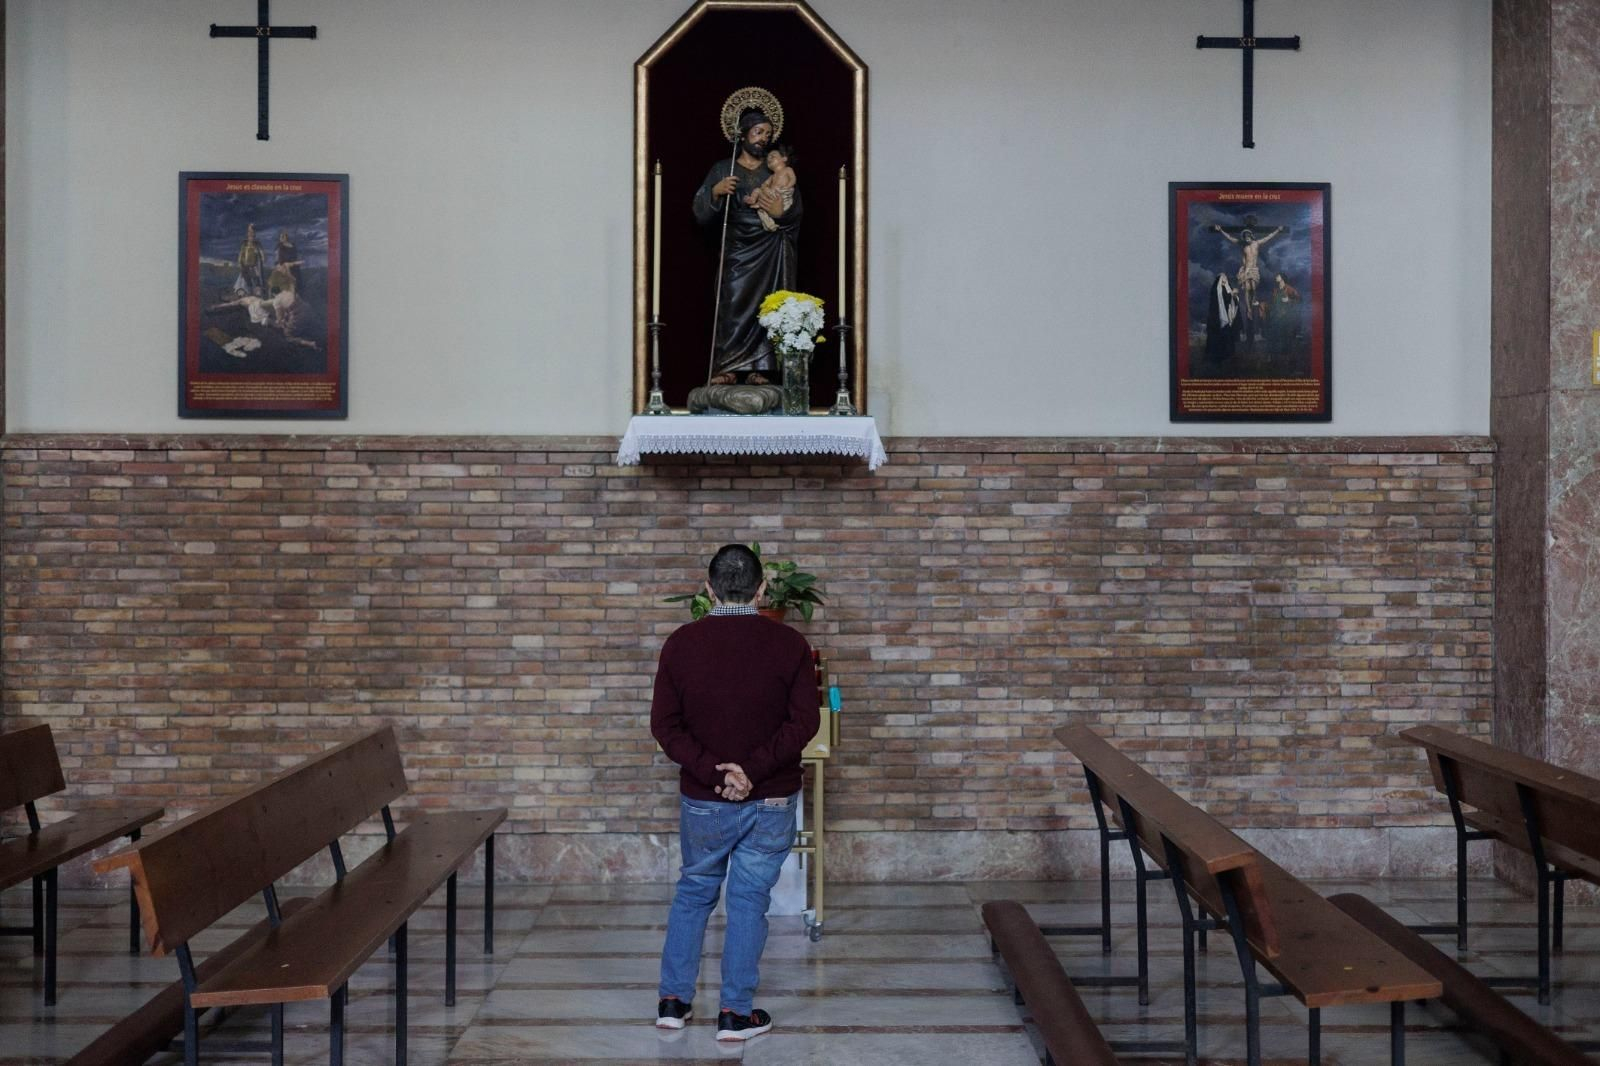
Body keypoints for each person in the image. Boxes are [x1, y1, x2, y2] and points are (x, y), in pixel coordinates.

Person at [651, 544, 819, 1042]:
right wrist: (750, 771)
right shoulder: (790, 644)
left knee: (694, 891)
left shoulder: (681, 643)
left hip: (704, 798)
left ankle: (672, 1004)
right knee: (748, 900)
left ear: (708, 590)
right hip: (770, 798)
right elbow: (804, 723)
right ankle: (734, 1014)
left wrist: (715, 772)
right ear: (762, 589)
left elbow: (665, 725)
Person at [692, 109, 802, 386]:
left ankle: (760, 369)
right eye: (757, 132)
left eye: (767, 133)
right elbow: (699, 212)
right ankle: (728, 366)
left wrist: (781, 212)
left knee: (769, 305)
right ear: (742, 134)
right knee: (732, 302)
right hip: (738, 247)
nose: (763, 139)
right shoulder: (723, 168)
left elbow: (794, 209)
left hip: (770, 246)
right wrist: (716, 192)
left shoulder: (776, 169)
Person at [1213, 223, 1283, 337]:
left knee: (1253, 287)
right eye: (1244, 236)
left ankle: (1253, 302)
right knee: (1247, 289)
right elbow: (1230, 238)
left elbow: (1269, 237)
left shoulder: (1256, 243)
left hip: (1254, 269)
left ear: (1251, 236)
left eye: (1248, 236)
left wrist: (1278, 230)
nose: (1246, 238)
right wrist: (1221, 230)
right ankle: (1249, 310)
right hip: (1245, 269)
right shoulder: (1242, 244)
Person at [749, 144, 797, 233]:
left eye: (772, 156)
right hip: (772, 193)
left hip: (782, 193)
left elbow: (793, 179)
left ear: (784, 158)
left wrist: (788, 186)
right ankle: (753, 200)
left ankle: (761, 206)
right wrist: (765, 188)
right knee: (758, 190)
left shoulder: (788, 169)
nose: (769, 159)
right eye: (767, 160)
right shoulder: (772, 176)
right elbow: (765, 184)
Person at [1203, 271, 1240, 363]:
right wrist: (1231, 294)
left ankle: (1228, 355)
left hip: (1227, 317)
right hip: (1217, 318)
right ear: (1219, 279)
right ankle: (1216, 356)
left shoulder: (1228, 288)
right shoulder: (1216, 289)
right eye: (1223, 276)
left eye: (1226, 276)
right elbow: (1218, 302)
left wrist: (1234, 295)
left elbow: (1233, 301)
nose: (1225, 277)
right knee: (1217, 337)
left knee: (1227, 336)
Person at [234, 223, 267, 296]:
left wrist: (263, 257)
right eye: (249, 232)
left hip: (254, 266)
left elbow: (262, 252)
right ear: (247, 233)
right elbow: (241, 253)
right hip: (245, 266)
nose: (251, 234)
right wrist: (239, 262)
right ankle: (243, 293)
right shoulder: (244, 243)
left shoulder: (257, 243)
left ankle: (256, 293)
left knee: (256, 279)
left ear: (255, 233)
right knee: (244, 281)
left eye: (252, 232)